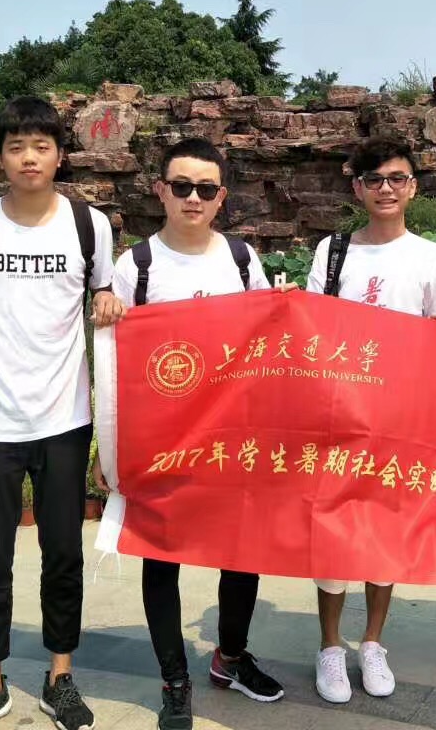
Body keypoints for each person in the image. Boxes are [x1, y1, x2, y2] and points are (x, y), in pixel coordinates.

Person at [0, 96, 125, 730]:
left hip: (65, 420)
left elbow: (105, 298)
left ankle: (59, 675)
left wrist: (106, 298)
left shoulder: (89, 226)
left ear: (60, 155)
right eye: (16, 146)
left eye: (41, 146)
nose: (29, 158)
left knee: (62, 556)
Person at [93, 137, 285, 730]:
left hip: (231, 436)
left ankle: (230, 656)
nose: (192, 198)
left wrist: (285, 308)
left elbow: (268, 340)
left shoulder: (242, 261)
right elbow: (115, 364)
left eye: (205, 189)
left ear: (221, 196)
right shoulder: (136, 266)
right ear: (161, 191)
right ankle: (174, 679)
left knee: (241, 552)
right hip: (163, 441)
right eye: (181, 187)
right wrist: (109, 447)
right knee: (161, 558)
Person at [304, 136, 436, 704]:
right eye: (374, 179)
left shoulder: (431, 258)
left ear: (412, 187)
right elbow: (312, 328)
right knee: (334, 532)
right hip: (339, 414)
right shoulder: (333, 251)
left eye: (396, 178)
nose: (385, 189)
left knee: (385, 532)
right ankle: (330, 646)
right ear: (357, 187)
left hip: (399, 418)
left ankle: (372, 642)